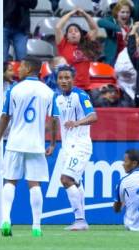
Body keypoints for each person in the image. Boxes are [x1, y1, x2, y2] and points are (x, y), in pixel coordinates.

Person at [0, 56, 55, 237]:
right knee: (34, 184)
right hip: (36, 144)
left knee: (10, 181)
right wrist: (52, 142)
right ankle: (36, 226)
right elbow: (54, 118)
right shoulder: (48, 92)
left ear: (27, 68)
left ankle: (6, 220)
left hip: (15, 143)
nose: (17, 70)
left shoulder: (14, 90)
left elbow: (4, 116)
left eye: (20, 67)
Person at [52, 64, 97, 230]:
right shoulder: (58, 98)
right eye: (61, 78)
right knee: (76, 183)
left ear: (73, 79)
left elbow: (93, 116)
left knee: (66, 179)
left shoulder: (80, 95)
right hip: (67, 147)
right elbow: (55, 121)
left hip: (81, 145)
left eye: (67, 77)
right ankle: (81, 220)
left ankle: (79, 220)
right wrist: (52, 144)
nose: (63, 81)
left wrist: (77, 123)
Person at [55, 8, 100, 90]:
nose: (73, 33)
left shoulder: (86, 43)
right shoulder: (63, 44)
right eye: (70, 31)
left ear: (81, 35)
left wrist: (84, 14)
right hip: (68, 88)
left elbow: (94, 29)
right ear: (67, 37)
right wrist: (70, 13)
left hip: (85, 88)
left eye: (76, 31)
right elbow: (58, 27)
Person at [114, 149, 139, 231]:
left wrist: (124, 203)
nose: (123, 164)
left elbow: (117, 209)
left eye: (125, 161)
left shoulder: (123, 181)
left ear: (134, 163)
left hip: (133, 227)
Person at [97, 0, 139, 66]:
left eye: (128, 12)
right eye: (122, 12)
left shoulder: (132, 20)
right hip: (114, 59)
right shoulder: (112, 20)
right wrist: (120, 29)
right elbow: (100, 22)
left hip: (130, 59)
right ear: (116, 13)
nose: (125, 15)